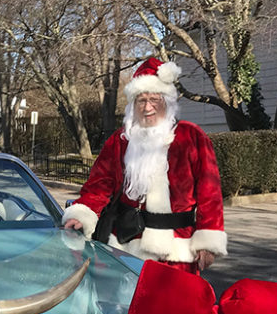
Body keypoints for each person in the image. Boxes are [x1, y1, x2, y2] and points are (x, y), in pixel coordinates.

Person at [61, 57, 226, 272]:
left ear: (167, 102)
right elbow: (99, 185)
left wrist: (207, 242)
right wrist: (82, 215)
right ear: (133, 104)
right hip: (127, 248)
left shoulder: (191, 137)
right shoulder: (120, 141)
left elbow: (209, 192)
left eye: (154, 99)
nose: (148, 107)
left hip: (177, 252)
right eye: (141, 100)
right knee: (127, 305)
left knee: (177, 305)